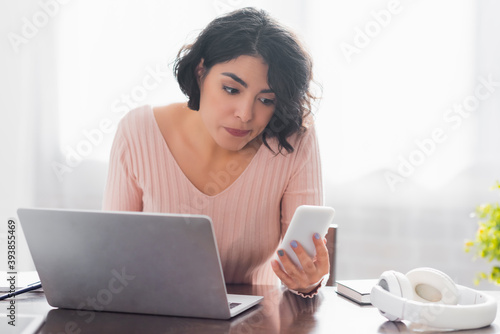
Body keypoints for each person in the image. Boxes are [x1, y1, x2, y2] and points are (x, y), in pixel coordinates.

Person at [103, 7, 329, 297]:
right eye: (232, 90)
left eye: (266, 99)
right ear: (200, 73)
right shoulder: (138, 131)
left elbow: (303, 269)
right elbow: (112, 256)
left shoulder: (295, 141)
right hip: (154, 313)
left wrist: (307, 281)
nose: (246, 114)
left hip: (254, 320)